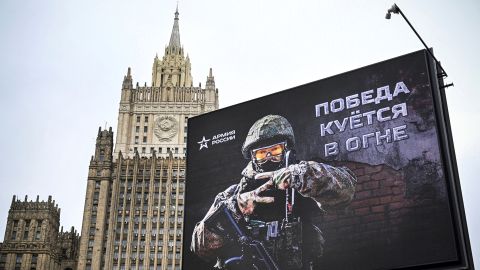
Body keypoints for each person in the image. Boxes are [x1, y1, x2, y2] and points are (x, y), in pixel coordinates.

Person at [191, 115, 356, 269]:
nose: (268, 157)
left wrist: (304, 175)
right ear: (253, 157)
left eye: (275, 151)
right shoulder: (232, 195)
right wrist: (236, 207)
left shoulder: (301, 183)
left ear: (286, 150)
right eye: (262, 153)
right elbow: (200, 247)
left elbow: (346, 191)